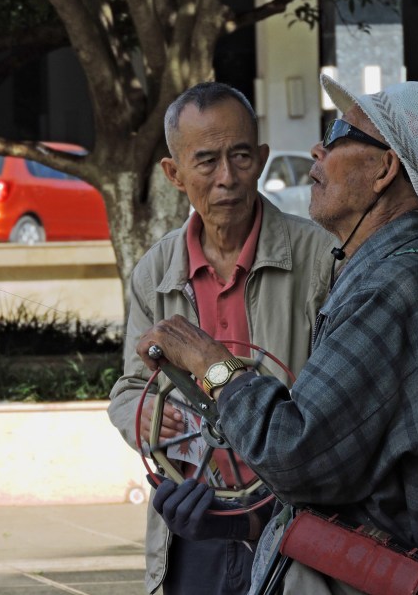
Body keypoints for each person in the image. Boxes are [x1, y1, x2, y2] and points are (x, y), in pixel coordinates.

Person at [136, 75, 418, 594]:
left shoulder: (392, 286)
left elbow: (294, 452)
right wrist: (235, 522)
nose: (316, 150)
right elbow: (346, 473)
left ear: (384, 169)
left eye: (339, 132)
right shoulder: (386, 270)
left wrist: (209, 361)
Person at [107, 82, 335, 595]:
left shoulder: (320, 258)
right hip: (194, 518)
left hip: (294, 515)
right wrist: (140, 419)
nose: (227, 178)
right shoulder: (156, 272)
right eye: (206, 161)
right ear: (174, 174)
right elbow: (129, 387)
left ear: (261, 158)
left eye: (239, 157)